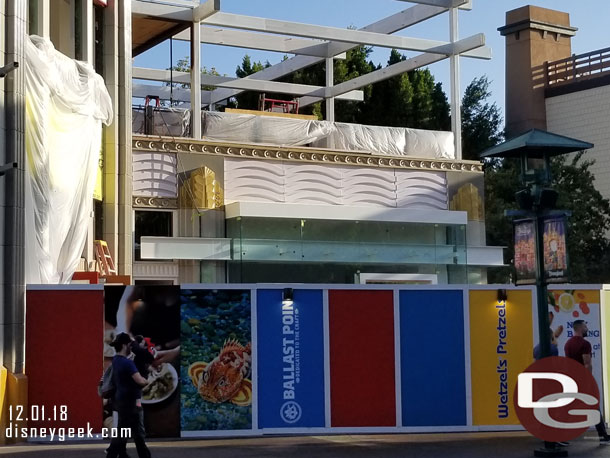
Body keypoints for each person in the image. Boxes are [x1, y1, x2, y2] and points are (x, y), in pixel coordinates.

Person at [106, 332, 152, 458]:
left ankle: (118, 454)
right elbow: (140, 381)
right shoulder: (127, 363)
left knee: (124, 432)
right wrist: (149, 379)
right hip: (132, 403)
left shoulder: (116, 360)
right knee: (136, 433)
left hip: (120, 401)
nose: (132, 347)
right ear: (125, 345)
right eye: (130, 344)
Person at [564, 320, 610, 445]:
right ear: (579, 328)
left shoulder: (567, 344)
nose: (587, 329)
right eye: (585, 327)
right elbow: (587, 364)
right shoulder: (585, 344)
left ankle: (559, 435)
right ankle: (603, 437)